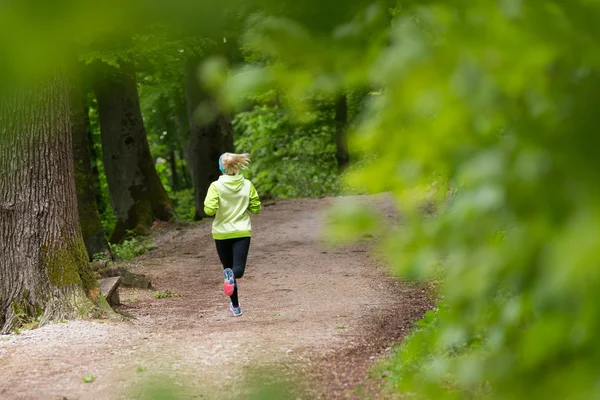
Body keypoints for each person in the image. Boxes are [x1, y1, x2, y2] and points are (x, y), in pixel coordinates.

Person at [203, 152, 261, 317]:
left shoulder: (216, 186)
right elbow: (256, 208)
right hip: (242, 232)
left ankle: (235, 306)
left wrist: (217, 204)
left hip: (221, 234)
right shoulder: (248, 185)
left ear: (221, 167)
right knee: (238, 270)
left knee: (227, 269)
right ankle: (232, 279)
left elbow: (209, 210)